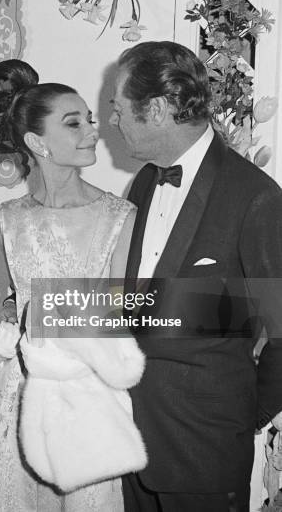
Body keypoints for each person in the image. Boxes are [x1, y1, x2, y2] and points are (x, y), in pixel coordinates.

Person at [0, 60, 145, 512]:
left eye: (90, 120)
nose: (92, 131)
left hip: (86, 397)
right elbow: (18, 296)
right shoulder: (7, 219)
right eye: (74, 122)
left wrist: (37, 314)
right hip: (17, 398)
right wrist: (5, 321)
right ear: (36, 142)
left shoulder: (120, 217)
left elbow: (123, 313)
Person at [108, 40, 282, 512]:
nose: (112, 122)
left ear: (159, 109)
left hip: (203, 451)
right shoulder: (144, 181)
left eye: (119, 109)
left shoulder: (255, 197)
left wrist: (245, 414)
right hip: (131, 442)